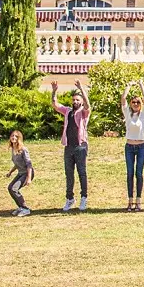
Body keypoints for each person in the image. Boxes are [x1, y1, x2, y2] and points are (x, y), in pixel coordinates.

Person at [52, 80, 91, 212]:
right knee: (69, 174)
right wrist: (54, 91)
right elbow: (55, 105)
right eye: (73, 100)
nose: (75, 102)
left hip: (81, 146)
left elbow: (87, 105)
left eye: (77, 100)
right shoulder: (68, 111)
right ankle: (70, 198)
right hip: (69, 147)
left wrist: (81, 88)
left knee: (82, 173)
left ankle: (84, 198)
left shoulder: (84, 113)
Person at [121, 79, 144, 212]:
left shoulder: (143, 115)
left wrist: (141, 84)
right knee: (129, 173)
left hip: (141, 147)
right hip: (129, 147)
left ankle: (138, 201)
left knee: (139, 173)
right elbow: (123, 99)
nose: (135, 104)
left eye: (137, 102)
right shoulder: (127, 114)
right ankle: (130, 201)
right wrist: (128, 86)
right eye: (133, 102)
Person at [5, 130, 34, 216]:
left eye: (16, 136)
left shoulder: (23, 149)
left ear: (19, 139)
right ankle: (21, 207)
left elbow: (29, 164)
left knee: (14, 188)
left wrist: (29, 178)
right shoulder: (13, 149)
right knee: (10, 188)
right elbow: (17, 164)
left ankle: (25, 209)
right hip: (21, 173)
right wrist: (10, 172)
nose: (14, 137)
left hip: (27, 173)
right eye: (12, 136)